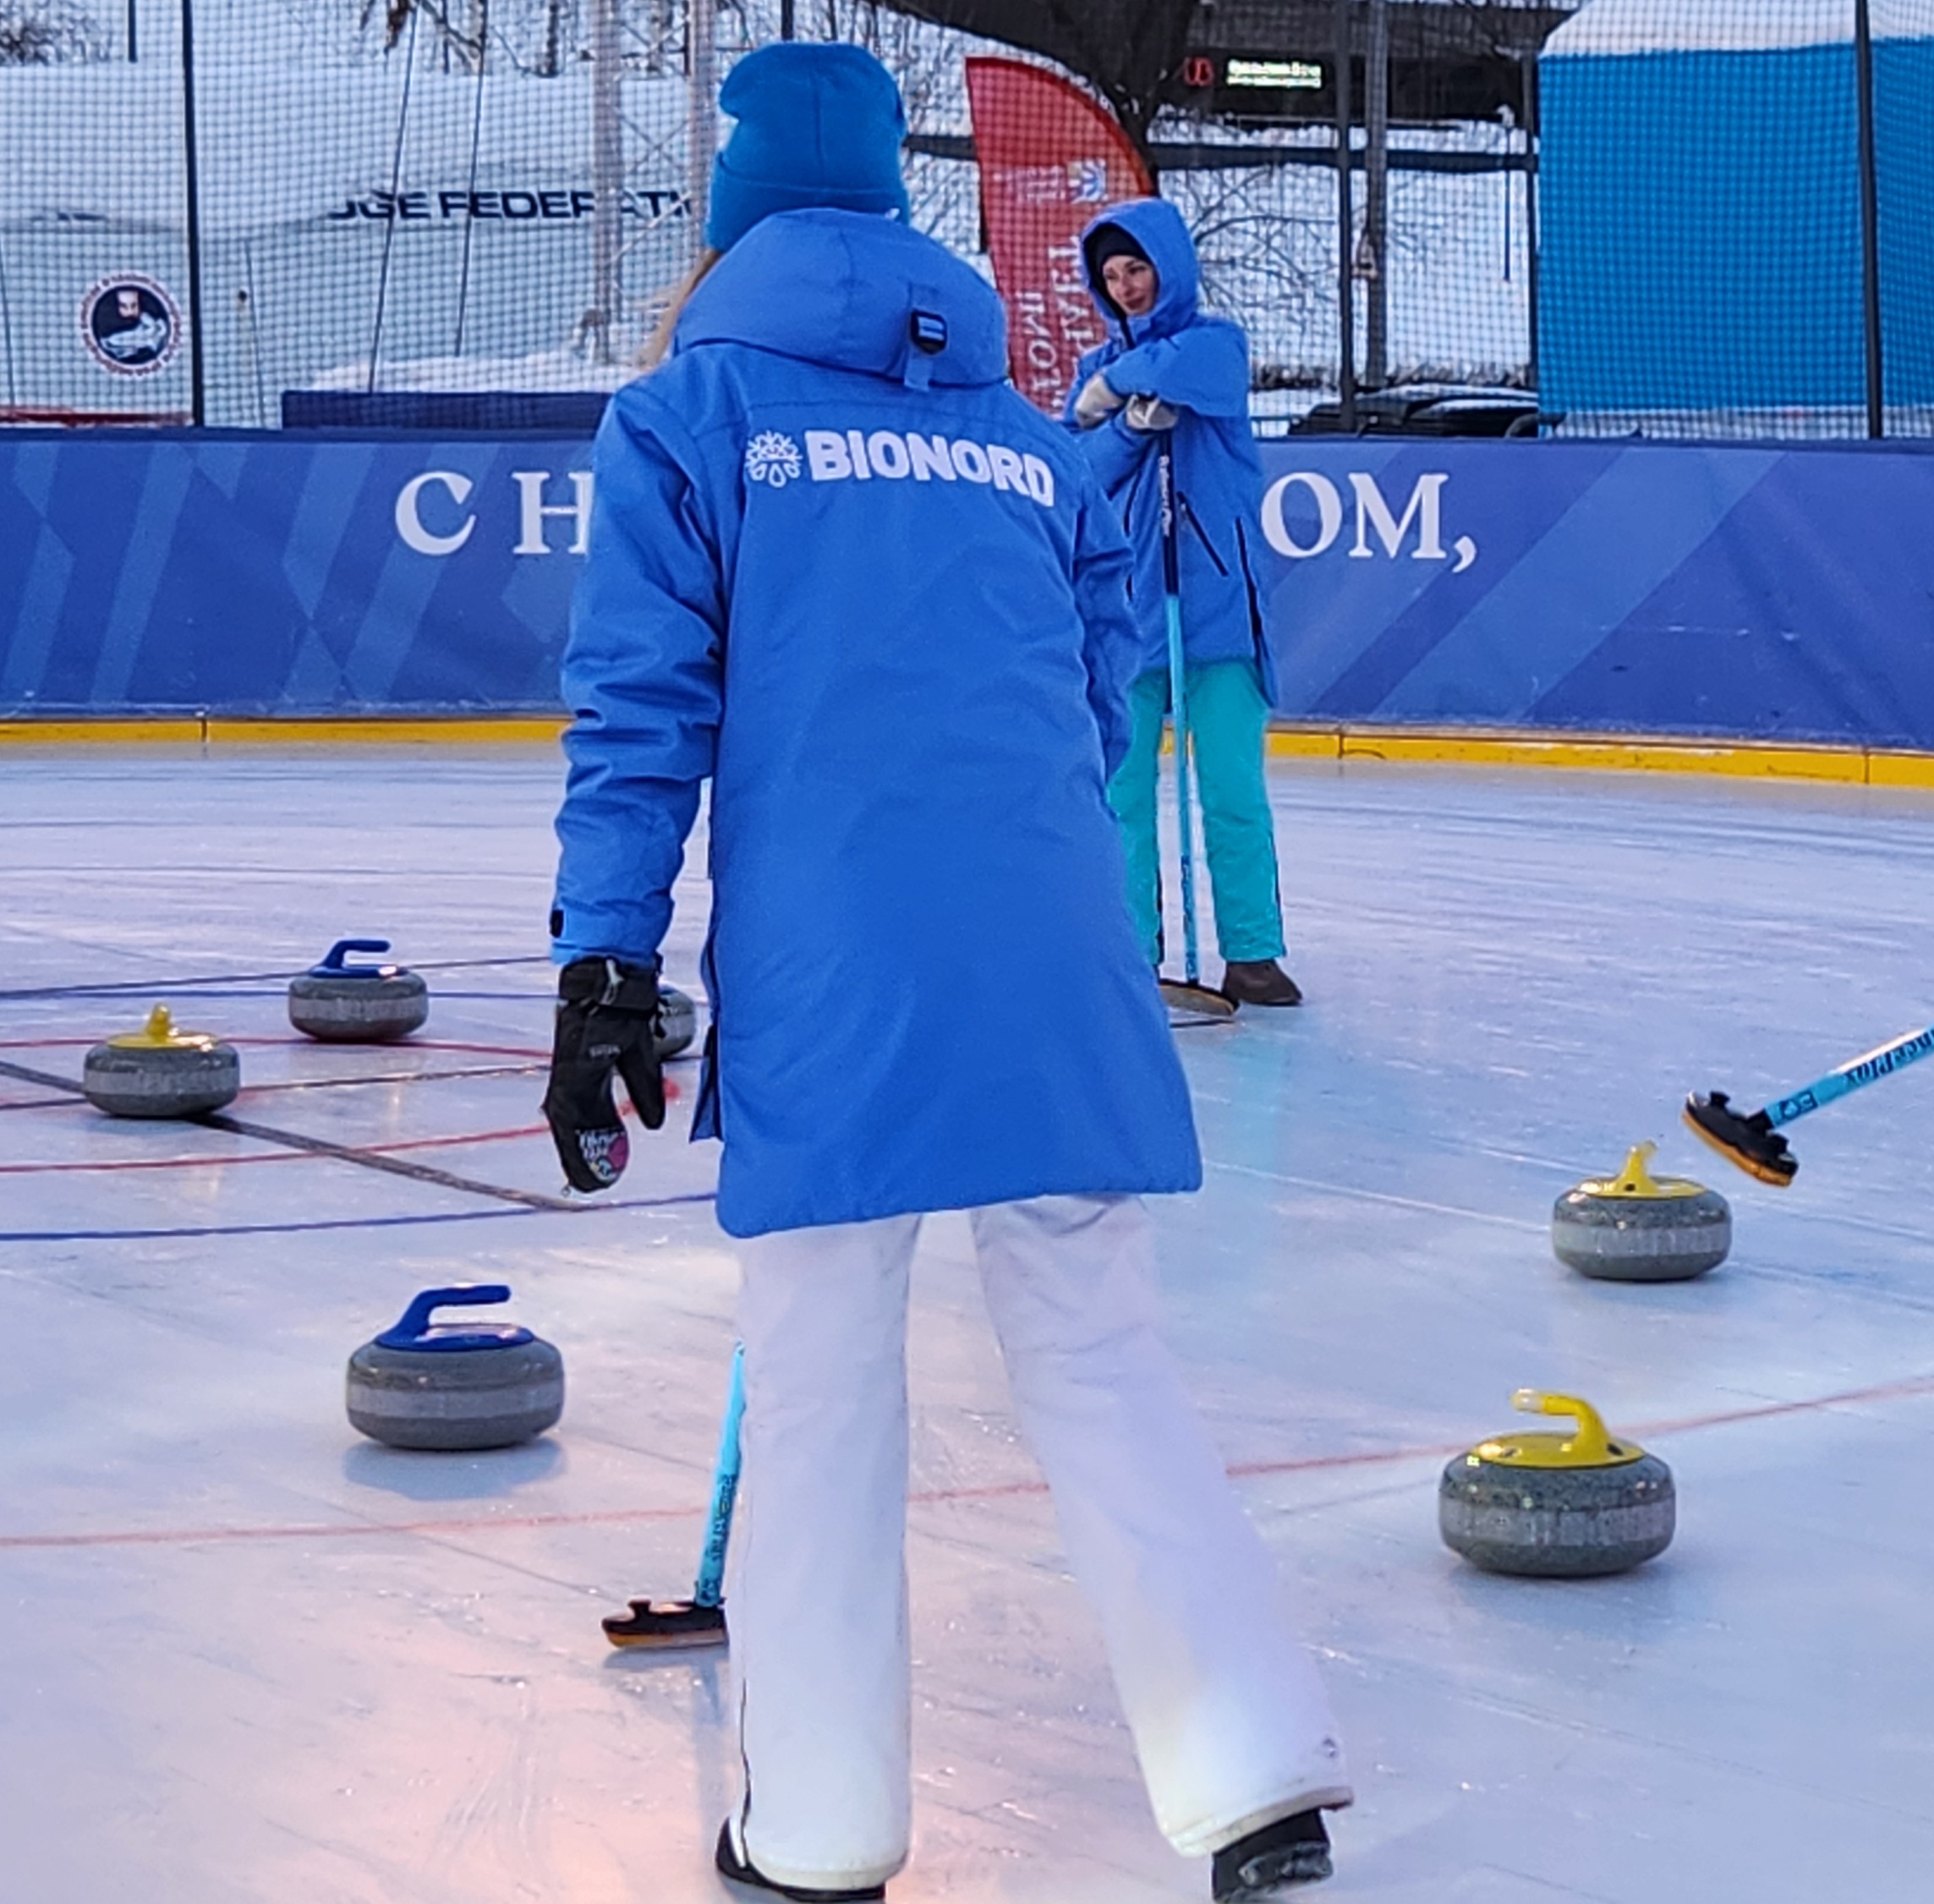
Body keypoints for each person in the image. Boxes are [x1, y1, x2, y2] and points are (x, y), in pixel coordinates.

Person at [541, 44, 1349, 1899]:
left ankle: (819, 1827)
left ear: (732, 212)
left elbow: (639, 713)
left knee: (823, 1370)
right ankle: (1252, 1772)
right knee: (1099, 1340)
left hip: (841, 964)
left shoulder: (688, 416)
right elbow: (1087, 679)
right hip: (1054, 939)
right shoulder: (1013, 427)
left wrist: (604, 963)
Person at [1064, 197, 1301, 1009]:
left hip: (1220, 615)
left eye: (1138, 269)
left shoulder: (1216, 343)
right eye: (1112, 275)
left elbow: (1187, 375)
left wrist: (1118, 384)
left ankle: (1253, 954)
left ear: (1170, 268)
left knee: (1231, 789)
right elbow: (1082, 473)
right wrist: (1129, 427)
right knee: (1123, 794)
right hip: (1129, 619)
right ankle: (1132, 952)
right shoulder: (1090, 369)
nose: (1127, 286)